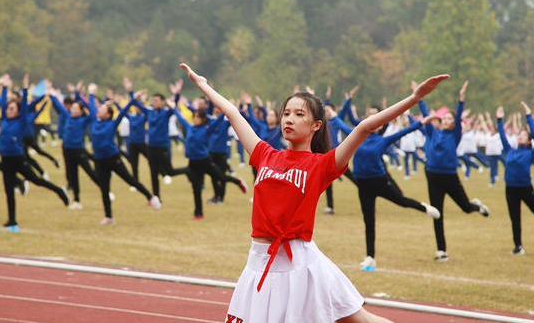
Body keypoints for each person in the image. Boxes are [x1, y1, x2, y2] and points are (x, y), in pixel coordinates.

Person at [179, 62, 448, 323]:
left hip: (300, 266)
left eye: (299, 114)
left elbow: (365, 127)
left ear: (316, 125)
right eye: (286, 113)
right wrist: (203, 85)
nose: (289, 119)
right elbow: (232, 113)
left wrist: (414, 99)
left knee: (360, 320)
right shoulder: (264, 154)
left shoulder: (321, 165)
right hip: (258, 261)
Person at [352, 112, 441, 272]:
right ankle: (370, 257)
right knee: (369, 221)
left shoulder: (382, 140)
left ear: (380, 127)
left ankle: (425, 208)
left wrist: (421, 123)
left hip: (380, 182)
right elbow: (340, 123)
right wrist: (332, 115)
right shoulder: (356, 136)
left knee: (401, 201)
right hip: (363, 185)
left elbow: (403, 132)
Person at [416, 81, 490, 262]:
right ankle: (441, 251)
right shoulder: (433, 132)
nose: (448, 121)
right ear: (441, 121)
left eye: (451, 119)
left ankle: (477, 206)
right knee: (437, 212)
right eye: (446, 119)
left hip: (450, 176)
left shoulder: (455, 134)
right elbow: (425, 115)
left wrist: (461, 98)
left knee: (465, 207)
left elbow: (458, 119)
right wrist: (418, 96)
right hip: (433, 176)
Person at [0, 74, 69, 231]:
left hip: (18, 158)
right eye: (8, 108)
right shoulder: (4, 119)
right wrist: (3, 87)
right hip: (5, 159)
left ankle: (59, 190)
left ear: (18, 112)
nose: (8, 110)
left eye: (12, 109)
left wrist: (24, 88)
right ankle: (12, 220)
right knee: (8, 190)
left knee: (36, 180)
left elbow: (24, 105)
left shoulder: (21, 121)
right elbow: (2, 103)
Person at [87, 83, 161, 225]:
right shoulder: (94, 121)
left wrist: (134, 98)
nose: (98, 110)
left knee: (130, 180)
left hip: (113, 158)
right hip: (99, 160)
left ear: (108, 114)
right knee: (104, 188)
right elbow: (91, 106)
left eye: (102, 109)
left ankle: (151, 197)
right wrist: (91, 93)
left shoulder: (112, 123)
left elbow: (124, 110)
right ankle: (109, 217)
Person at [169, 98, 247, 219]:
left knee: (221, 177)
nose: (195, 118)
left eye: (198, 117)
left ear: (203, 119)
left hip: (205, 161)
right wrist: (173, 107)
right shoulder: (189, 127)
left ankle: (238, 182)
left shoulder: (207, 129)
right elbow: (180, 118)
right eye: (194, 116)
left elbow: (218, 120)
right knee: (196, 189)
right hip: (193, 163)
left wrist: (225, 111)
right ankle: (198, 213)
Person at [496, 102, 534, 255]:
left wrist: (529, 117)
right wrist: (499, 120)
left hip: (526, 189)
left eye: (523, 135)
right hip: (510, 189)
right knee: (515, 218)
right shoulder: (510, 151)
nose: (520, 136)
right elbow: (502, 136)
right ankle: (518, 246)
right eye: (519, 135)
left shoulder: (531, 153)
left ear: (528, 140)